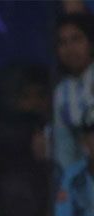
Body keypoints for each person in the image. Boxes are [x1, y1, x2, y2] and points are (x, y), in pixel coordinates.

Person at [52, 14, 94, 173]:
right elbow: (64, 145)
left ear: (90, 43)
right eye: (63, 43)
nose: (70, 49)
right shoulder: (61, 92)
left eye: (76, 39)